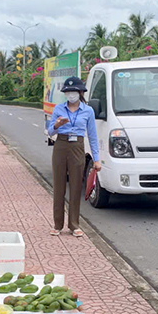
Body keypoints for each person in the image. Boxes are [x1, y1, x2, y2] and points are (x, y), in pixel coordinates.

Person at [46, 76, 100, 237]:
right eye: (68, 92)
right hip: (61, 145)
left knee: (76, 186)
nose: (71, 95)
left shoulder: (88, 110)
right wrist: (56, 125)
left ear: (80, 92)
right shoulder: (58, 109)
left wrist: (96, 159)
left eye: (74, 91)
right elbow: (50, 132)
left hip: (77, 145)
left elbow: (92, 135)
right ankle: (57, 224)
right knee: (59, 186)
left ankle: (74, 224)